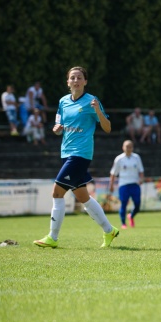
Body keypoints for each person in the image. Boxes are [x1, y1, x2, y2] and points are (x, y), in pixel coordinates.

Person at [33, 66, 119, 249]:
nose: (76, 80)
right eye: (72, 78)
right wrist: (57, 130)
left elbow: (108, 127)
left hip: (81, 154)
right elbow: (59, 125)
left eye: (79, 77)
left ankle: (52, 238)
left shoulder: (92, 101)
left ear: (85, 82)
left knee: (57, 192)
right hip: (66, 152)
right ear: (68, 82)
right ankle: (109, 230)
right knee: (83, 197)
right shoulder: (63, 102)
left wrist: (97, 111)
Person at [109, 140, 144, 229]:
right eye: (126, 146)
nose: (128, 148)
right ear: (123, 147)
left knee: (137, 204)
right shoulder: (119, 159)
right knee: (124, 203)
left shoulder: (136, 157)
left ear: (132, 148)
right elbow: (113, 173)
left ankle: (131, 216)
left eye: (130, 146)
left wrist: (141, 178)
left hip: (135, 184)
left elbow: (141, 170)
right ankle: (123, 223)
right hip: (123, 184)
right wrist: (111, 185)